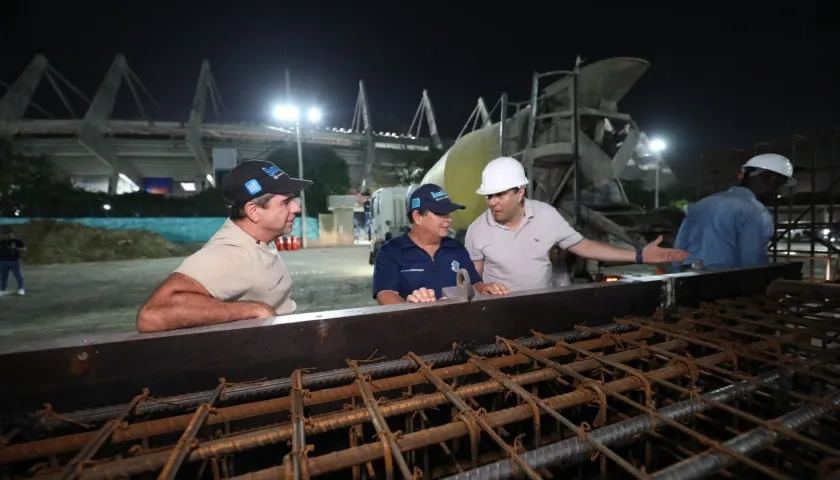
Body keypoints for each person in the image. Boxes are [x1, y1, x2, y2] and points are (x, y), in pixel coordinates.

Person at [465, 156, 690, 292]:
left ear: (520, 191)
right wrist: (483, 288)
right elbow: (474, 280)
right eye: (489, 196)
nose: (492, 202)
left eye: (499, 195)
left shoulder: (546, 216)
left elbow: (586, 247)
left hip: (540, 307)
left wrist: (639, 256)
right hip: (498, 311)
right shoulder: (477, 230)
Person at [136, 160, 312, 333]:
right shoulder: (232, 252)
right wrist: (253, 310)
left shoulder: (259, 238)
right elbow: (152, 314)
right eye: (285, 202)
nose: (296, 208)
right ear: (253, 211)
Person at [372, 184, 509, 304]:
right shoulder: (390, 252)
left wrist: (484, 288)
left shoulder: (457, 248)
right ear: (417, 217)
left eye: (448, 213)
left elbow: (473, 283)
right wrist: (409, 308)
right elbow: (385, 294)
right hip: (413, 324)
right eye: (440, 213)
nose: (448, 219)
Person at [672, 153, 795, 271]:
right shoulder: (754, 211)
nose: (777, 193)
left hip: (687, 277)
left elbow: (679, 248)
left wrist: (677, 277)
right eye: (779, 186)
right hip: (724, 281)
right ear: (771, 180)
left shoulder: (702, 203)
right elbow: (753, 263)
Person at [0, 226, 26, 296]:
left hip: (15, 261)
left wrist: (16, 249)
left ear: (12, 234)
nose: (7, 236)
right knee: (3, 276)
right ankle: (3, 290)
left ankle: (20, 289)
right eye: (5, 234)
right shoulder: (1, 242)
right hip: (3, 261)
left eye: (9, 234)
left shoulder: (17, 241)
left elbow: (24, 249)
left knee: (19, 276)